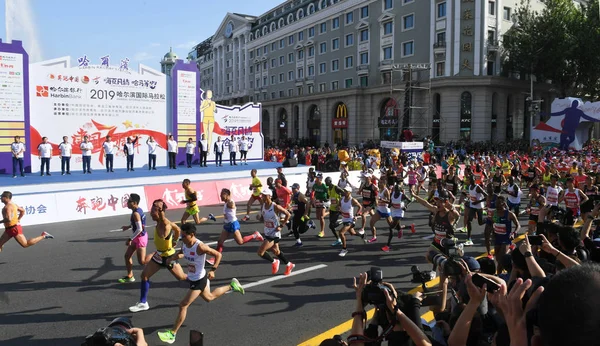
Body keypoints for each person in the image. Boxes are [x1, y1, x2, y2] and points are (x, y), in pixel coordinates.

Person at [157, 223, 245, 344]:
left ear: (192, 235)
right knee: (209, 297)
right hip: (194, 278)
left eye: (184, 235)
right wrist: (172, 259)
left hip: (199, 280)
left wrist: (213, 270)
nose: (182, 238)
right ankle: (232, 285)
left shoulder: (200, 247)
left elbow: (218, 254)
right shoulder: (185, 243)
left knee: (183, 305)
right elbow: (182, 252)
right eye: (181, 235)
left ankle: (172, 334)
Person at [129, 199, 188, 313]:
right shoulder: (162, 222)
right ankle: (143, 303)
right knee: (144, 276)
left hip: (168, 257)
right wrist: (175, 240)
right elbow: (178, 229)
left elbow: (168, 227)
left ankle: (200, 281)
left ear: (160, 211)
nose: (151, 213)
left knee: (182, 277)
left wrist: (171, 239)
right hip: (159, 255)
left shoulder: (165, 223)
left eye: (153, 210)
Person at [214, 188, 263, 256]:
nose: (220, 196)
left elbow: (232, 205)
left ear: (226, 195)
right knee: (220, 241)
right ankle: (216, 258)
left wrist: (230, 200)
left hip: (233, 224)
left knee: (240, 242)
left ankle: (255, 235)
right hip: (227, 225)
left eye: (222, 195)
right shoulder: (226, 203)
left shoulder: (230, 202)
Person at [257, 191, 295, 275]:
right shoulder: (263, 206)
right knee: (276, 251)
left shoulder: (275, 206)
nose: (262, 197)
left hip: (274, 233)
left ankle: (274, 261)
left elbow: (288, 214)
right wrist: (259, 218)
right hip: (267, 231)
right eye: (262, 195)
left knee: (260, 252)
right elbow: (263, 219)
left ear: (269, 196)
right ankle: (289, 264)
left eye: (264, 195)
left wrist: (281, 226)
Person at [118, 193, 149, 283]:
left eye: (129, 201)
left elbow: (139, 229)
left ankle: (158, 255)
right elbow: (137, 224)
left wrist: (130, 239)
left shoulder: (136, 213)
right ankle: (130, 276)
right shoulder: (137, 210)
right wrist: (128, 227)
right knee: (127, 256)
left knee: (142, 262)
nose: (127, 203)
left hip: (140, 238)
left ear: (134, 203)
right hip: (136, 237)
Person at [492, 195, 520, 267]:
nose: (496, 205)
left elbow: (518, 225)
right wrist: (492, 235)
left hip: (506, 238)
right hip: (497, 238)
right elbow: (493, 224)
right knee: (497, 259)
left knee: (501, 260)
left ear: (504, 204)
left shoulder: (510, 214)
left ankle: (499, 275)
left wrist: (514, 233)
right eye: (496, 203)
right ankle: (511, 248)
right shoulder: (494, 213)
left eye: (498, 204)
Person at [338, 185, 366, 257]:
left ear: (350, 192)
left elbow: (360, 206)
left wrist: (356, 215)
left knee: (341, 233)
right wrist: (339, 209)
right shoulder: (342, 199)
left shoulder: (352, 200)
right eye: (344, 191)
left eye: (346, 191)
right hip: (344, 219)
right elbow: (339, 205)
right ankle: (362, 235)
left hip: (350, 220)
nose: (345, 192)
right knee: (352, 233)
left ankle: (344, 249)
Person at [465, 175, 487, 246]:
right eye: (469, 180)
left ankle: (489, 219)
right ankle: (469, 238)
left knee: (480, 223)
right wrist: (469, 200)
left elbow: (486, 196)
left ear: (474, 180)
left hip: (479, 207)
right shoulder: (469, 187)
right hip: (472, 206)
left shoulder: (478, 187)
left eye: (471, 180)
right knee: (469, 221)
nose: (470, 181)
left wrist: (478, 202)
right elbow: (472, 197)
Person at [326, 177, 345, 247]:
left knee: (332, 225)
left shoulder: (336, 187)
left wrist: (340, 203)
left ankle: (343, 221)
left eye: (327, 181)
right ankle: (338, 240)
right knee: (331, 226)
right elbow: (329, 197)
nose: (326, 183)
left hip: (337, 209)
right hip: (332, 209)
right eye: (325, 182)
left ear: (330, 181)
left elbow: (344, 193)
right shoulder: (328, 189)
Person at [312, 173, 329, 238]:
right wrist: (313, 199)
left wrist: (328, 199)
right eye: (316, 178)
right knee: (318, 217)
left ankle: (322, 231)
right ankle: (329, 212)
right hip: (317, 201)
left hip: (323, 201)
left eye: (317, 178)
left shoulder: (323, 186)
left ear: (320, 179)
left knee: (321, 217)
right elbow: (313, 192)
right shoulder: (315, 185)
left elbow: (328, 193)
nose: (315, 179)